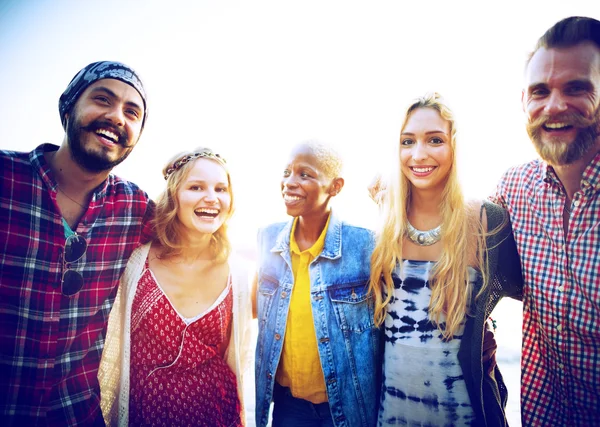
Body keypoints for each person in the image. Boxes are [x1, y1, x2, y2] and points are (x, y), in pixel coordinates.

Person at [0, 61, 153, 426]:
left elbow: (189, 245)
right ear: (68, 106)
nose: (117, 117)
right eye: (103, 99)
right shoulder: (6, 179)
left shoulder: (136, 208)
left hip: (77, 414)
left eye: (132, 112)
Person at [370, 93, 523, 426]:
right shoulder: (384, 224)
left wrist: (482, 332)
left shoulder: (487, 220)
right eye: (407, 141)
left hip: (466, 414)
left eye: (435, 140)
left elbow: (533, 291)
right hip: (391, 414)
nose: (418, 154)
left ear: (455, 146)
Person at [492, 16, 600, 426]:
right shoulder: (515, 188)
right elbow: (461, 241)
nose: (554, 106)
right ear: (524, 101)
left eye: (577, 88)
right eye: (540, 91)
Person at [98, 147, 253, 426]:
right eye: (196, 187)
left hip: (217, 413)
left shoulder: (239, 273)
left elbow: (241, 353)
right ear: (174, 196)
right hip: (144, 413)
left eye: (221, 189)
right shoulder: (135, 261)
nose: (211, 198)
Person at [253, 140, 381, 427]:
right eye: (287, 172)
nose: (290, 182)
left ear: (335, 186)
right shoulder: (268, 239)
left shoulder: (365, 244)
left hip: (349, 409)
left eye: (305, 175)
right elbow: (250, 307)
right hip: (289, 408)